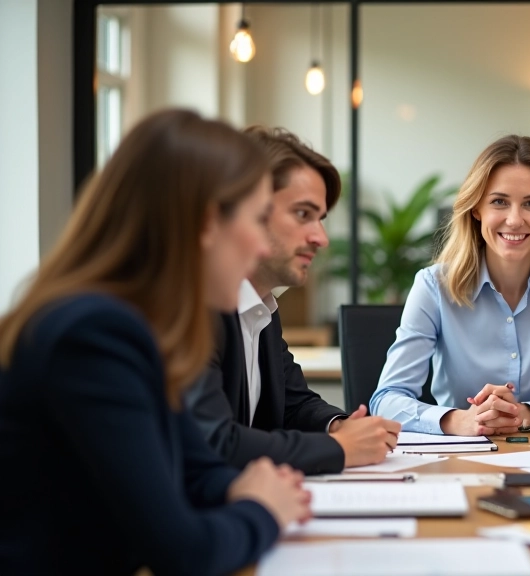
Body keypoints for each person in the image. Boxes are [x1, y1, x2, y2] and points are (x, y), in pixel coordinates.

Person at [0, 110, 311, 575]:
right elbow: (182, 552)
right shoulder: (95, 334)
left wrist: (254, 487)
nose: (263, 248)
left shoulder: (143, 326)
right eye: (256, 219)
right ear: (208, 223)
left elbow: (196, 470)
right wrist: (263, 510)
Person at [370, 135, 530, 435]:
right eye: (499, 202)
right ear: (476, 209)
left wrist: (527, 413)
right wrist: (460, 420)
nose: (515, 220)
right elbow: (386, 400)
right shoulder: (433, 286)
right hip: (459, 459)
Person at [189, 127, 399, 475]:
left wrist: (338, 426)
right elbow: (214, 441)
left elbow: (292, 402)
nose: (321, 238)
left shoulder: (261, 305)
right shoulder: (196, 306)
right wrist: (338, 448)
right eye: (303, 214)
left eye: (320, 219)